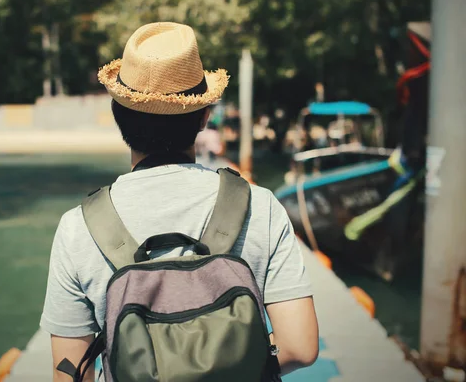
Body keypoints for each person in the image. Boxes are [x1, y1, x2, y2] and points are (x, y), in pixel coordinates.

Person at [40, 22, 319, 382]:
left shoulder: (79, 227)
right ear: (204, 117)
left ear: (117, 115)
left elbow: (70, 375)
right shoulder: (259, 207)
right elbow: (300, 347)